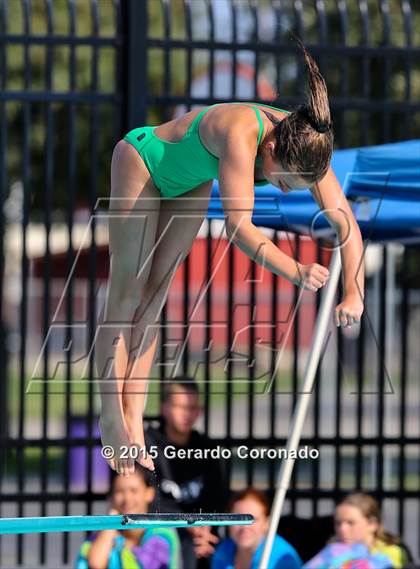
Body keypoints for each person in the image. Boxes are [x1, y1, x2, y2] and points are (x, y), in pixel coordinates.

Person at [95, 38, 365, 477]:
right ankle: (111, 419)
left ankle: (135, 426)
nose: (284, 190)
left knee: (153, 301)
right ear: (272, 150)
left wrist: (354, 290)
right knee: (127, 295)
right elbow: (240, 229)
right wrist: (295, 270)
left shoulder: (309, 144)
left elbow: (347, 226)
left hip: (189, 179)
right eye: (283, 184)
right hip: (144, 161)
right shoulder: (242, 134)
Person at [145, 377, 229, 569]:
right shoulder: (148, 447)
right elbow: (146, 501)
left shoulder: (207, 449)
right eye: (181, 407)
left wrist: (205, 527)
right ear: (164, 408)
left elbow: (218, 499)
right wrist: (187, 523)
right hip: (162, 532)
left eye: (192, 408)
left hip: (203, 537)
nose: (187, 414)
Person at [75, 465, 181, 569]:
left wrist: (121, 544)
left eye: (133, 490)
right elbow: (95, 564)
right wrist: (110, 524)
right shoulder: (104, 534)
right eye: (119, 491)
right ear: (111, 497)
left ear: (149, 493)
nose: (127, 498)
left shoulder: (162, 534)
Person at [304, 492, 410, 568]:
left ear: (373, 524)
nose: (342, 529)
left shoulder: (391, 553)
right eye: (338, 523)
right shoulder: (331, 550)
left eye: (351, 523)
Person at [211, 488, 302, 569]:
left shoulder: (283, 559)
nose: (245, 527)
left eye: (252, 519)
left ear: (267, 523)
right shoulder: (223, 552)